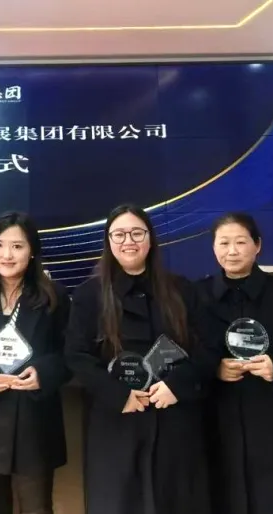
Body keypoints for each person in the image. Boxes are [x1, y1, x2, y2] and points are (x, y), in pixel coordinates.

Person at [64, 203, 214, 514]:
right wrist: (118, 394)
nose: (128, 241)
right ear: (108, 240)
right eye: (119, 234)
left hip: (175, 418)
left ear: (150, 238)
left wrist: (177, 385)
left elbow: (208, 349)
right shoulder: (89, 294)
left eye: (136, 233)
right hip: (116, 421)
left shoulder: (181, 289)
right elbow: (76, 356)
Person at [195, 212, 273, 514]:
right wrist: (214, 368)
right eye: (223, 243)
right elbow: (186, 350)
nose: (232, 251)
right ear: (213, 248)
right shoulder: (197, 296)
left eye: (241, 242)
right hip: (219, 416)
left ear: (258, 245)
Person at [0, 211, 71, 514]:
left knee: (37, 508)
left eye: (17, 246)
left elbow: (70, 353)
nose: (7, 255)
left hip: (35, 421)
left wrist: (43, 373)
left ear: (32, 251)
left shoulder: (53, 296)